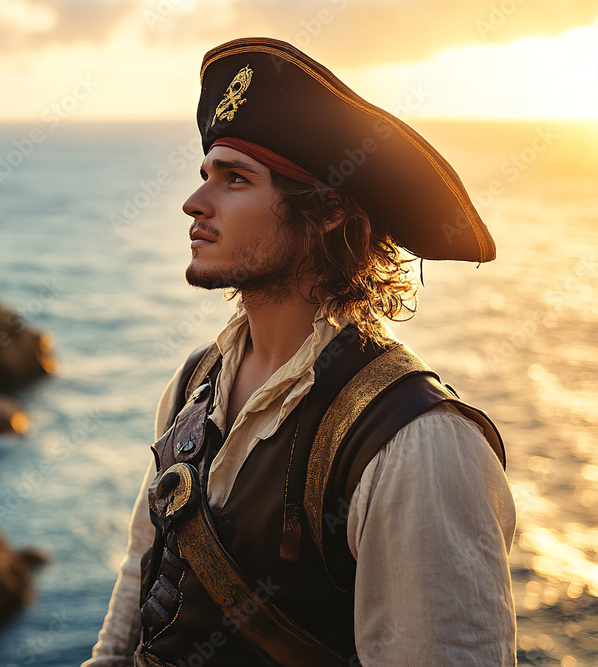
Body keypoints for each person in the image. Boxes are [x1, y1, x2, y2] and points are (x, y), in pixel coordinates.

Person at [84, 37, 516, 666]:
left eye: (235, 179)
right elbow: (143, 577)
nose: (195, 202)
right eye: (205, 174)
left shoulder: (415, 444)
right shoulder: (191, 384)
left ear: (329, 210)